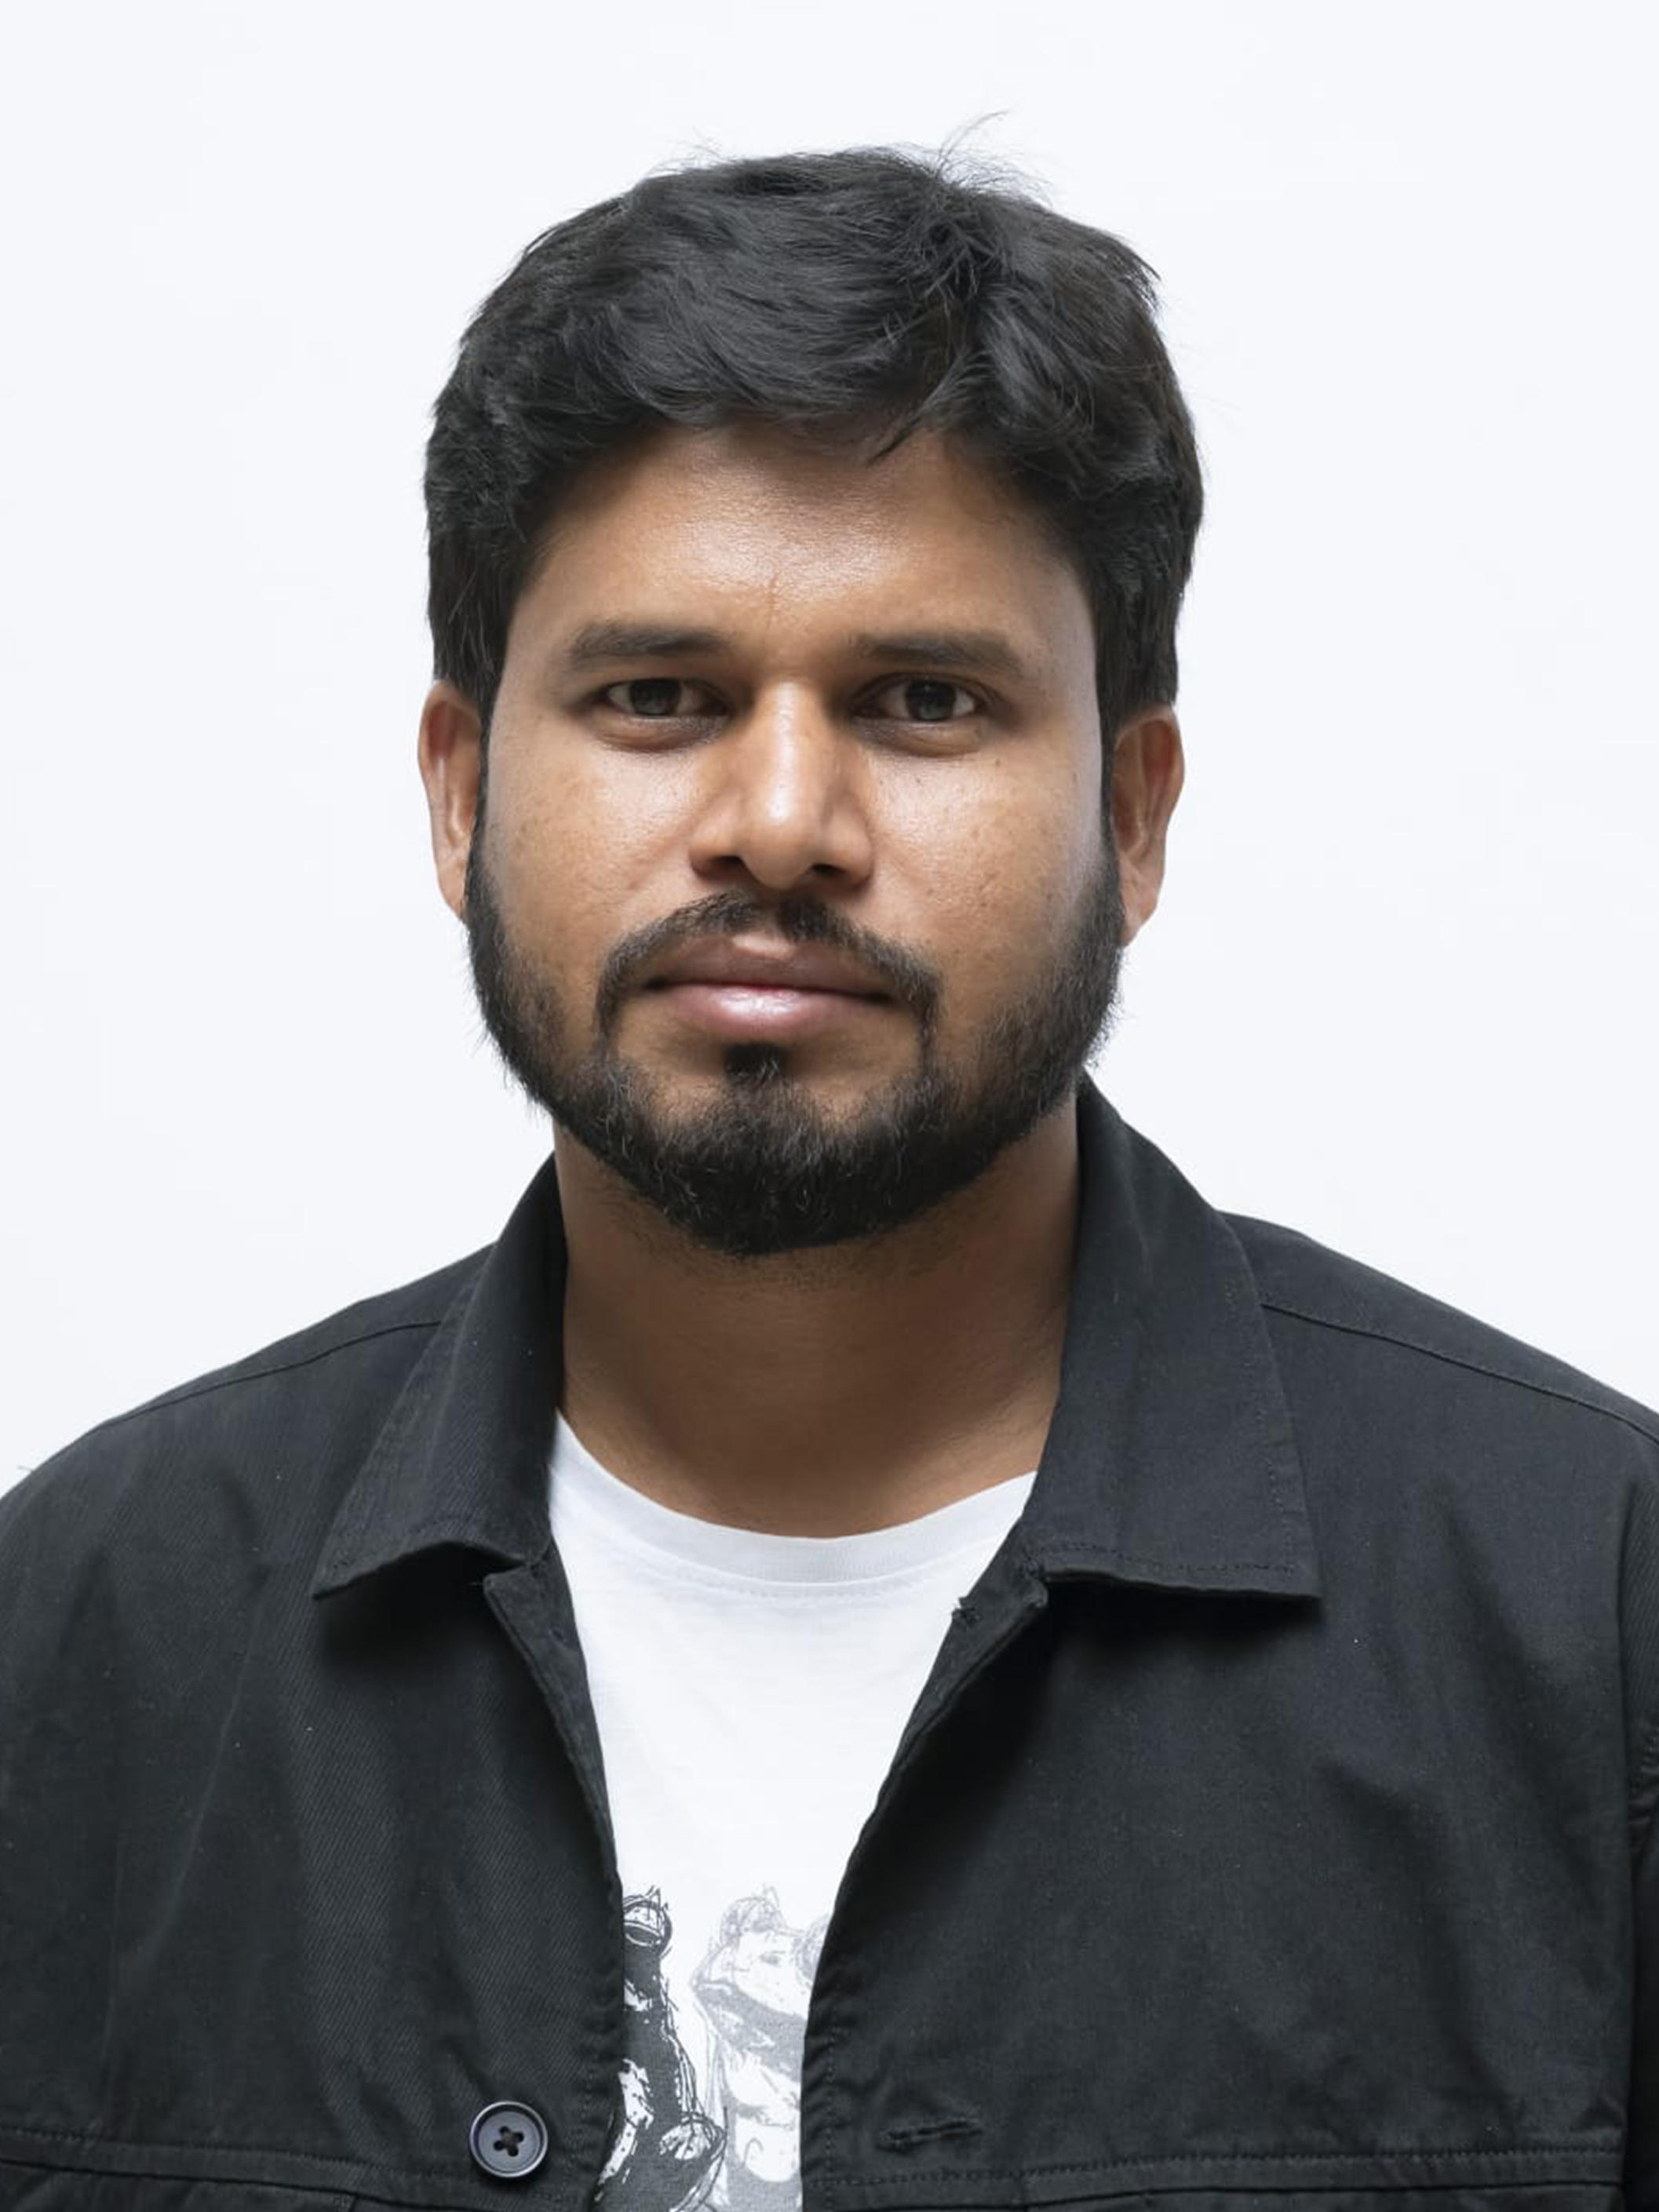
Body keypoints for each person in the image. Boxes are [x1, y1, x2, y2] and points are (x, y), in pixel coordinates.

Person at [1, 143, 1654, 2212]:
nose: (780, 821)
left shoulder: (1597, 1622)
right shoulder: (84, 1631)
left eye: (924, 701)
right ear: (462, 793)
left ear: (1133, 815)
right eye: (658, 697)